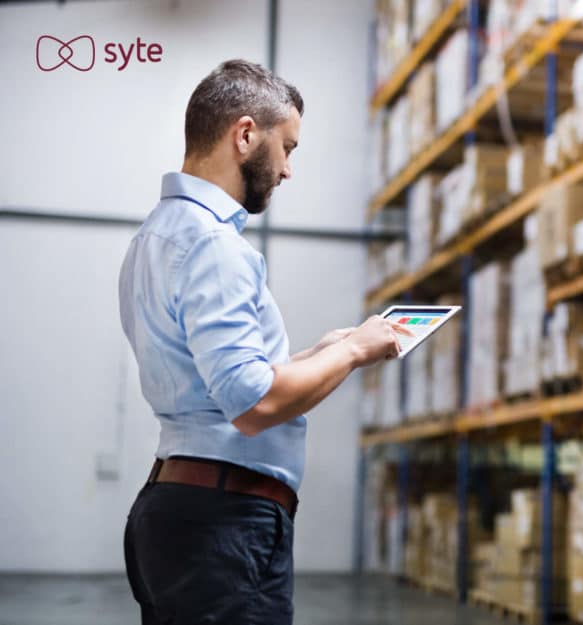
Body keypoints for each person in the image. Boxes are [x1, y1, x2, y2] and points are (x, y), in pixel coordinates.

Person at [118, 59, 409, 624]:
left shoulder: (154, 236)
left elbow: (214, 381)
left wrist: (317, 355)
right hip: (223, 526)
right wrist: (352, 353)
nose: (288, 170)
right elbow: (253, 404)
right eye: (288, 148)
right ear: (246, 135)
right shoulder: (215, 247)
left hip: (178, 511)